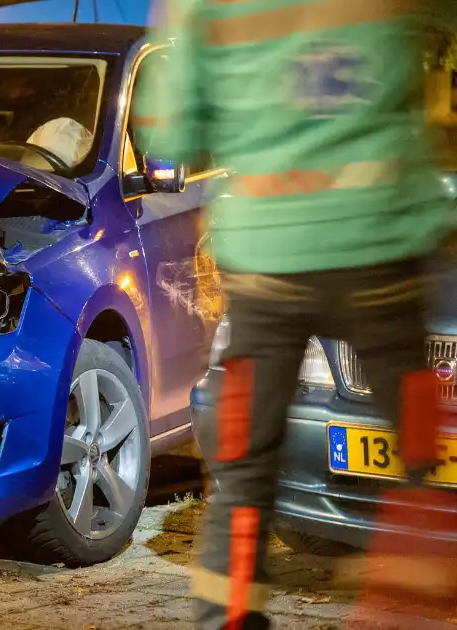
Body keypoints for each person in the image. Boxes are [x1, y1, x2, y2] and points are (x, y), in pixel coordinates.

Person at [134, 1, 457, 628]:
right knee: (419, 442)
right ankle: (412, 581)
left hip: (269, 267)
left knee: (247, 471)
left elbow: (169, 134)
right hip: (380, 255)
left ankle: (228, 617)